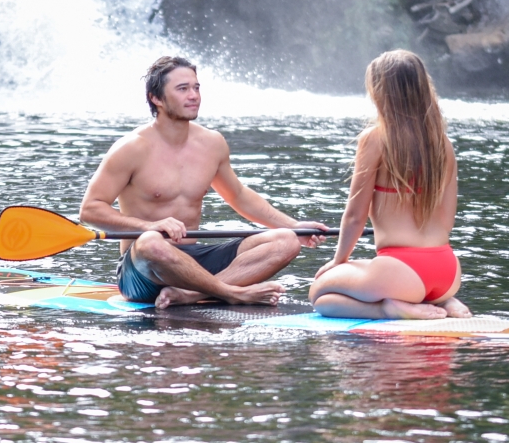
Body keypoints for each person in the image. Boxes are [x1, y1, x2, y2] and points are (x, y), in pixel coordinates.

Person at [80, 55, 325, 307]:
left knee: (285, 240)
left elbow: (238, 196)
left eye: (196, 88)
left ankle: (192, 295)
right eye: (183, 89)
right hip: (144, 268)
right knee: (152, 242)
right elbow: (90, 209)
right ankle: (231, 292)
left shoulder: (212, 143)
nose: (194, 95)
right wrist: (147, 226)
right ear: (156, 98)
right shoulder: (130, 148)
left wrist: (295, 226)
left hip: (193, 263)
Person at [309, 50, 471, 320]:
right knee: (377, 274)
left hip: (401, 270)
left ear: (379, 92)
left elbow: (355, 216)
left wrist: (338, 262)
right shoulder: (443, 145)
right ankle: (445, 302)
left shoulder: (375, 139)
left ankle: (388, 308)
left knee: (321, 296)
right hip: (447, 270)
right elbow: (446, 220)